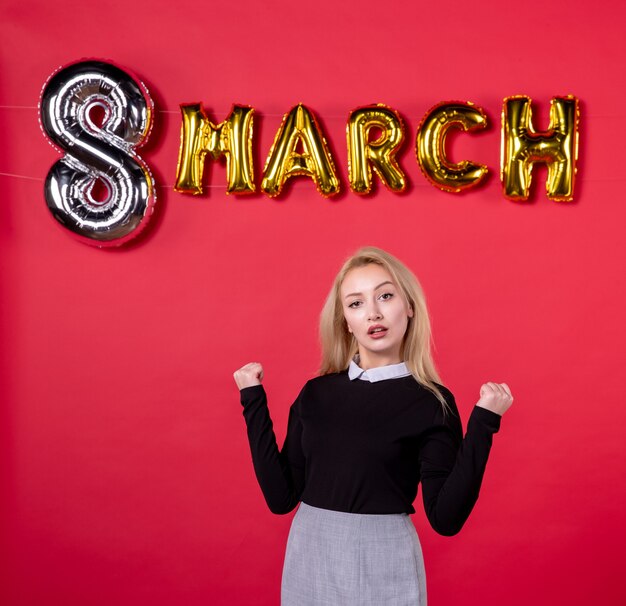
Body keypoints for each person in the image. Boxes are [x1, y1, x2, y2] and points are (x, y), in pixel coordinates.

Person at [233, 246, 513, 606]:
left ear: (409, 306)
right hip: (310, 554)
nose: (373, 313)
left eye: (385, 295)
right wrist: (252, 400)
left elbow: (446, 519)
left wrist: (484, 423)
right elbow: (281, 498)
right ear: (345, 321)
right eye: (356, 303)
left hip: (386, 558)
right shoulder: (315, 394)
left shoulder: (431, 402)